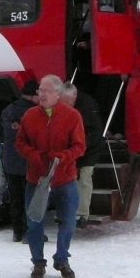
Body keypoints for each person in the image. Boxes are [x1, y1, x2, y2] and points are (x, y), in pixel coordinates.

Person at [16, 75, 85, 278]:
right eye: (40, 90)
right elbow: (19, 143)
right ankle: (38, 262)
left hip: (65, 179)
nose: (41, 94)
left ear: (57, 93)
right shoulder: (29, 115)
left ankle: (62, 259)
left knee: (69, 221)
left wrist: (63, 157)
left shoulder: (72, 116)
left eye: (45, 91)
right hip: (36, 180)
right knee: (34, 222)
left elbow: (80, 146)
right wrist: (34, 156)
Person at [0, 80, 40, 242]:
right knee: (30, 198)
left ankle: (17, 231)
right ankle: (29, 232)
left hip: (10, 161)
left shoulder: (8, 110)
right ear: (33, 95)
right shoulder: (34, 112)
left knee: (16, 198)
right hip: (27, 162)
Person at [60, 83, 105, 228]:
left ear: (75, 96)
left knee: (85, 177)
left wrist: (77, 149)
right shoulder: (60, 106)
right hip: (72, 147)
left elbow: (95, 133)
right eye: (63, 101)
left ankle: (81, 214)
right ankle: (65, 210)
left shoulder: (87, 107)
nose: (66, 105)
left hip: (90, 147)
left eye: (69, 102)